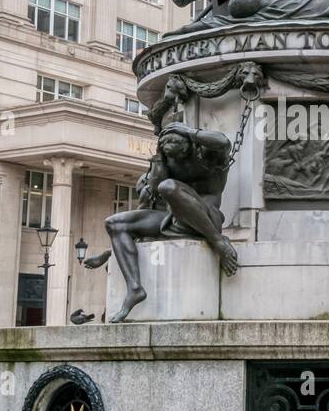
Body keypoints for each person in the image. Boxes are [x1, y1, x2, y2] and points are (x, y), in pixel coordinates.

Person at [84, 123, 238, 322]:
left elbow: (224, 142)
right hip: (173, 219)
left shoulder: (209, 157)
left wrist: (188, 132)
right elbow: (155, 189)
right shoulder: (167, 162)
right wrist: (158, 158)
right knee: (114, 223)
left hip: (207, 218)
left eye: (174, 141)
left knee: (169, 186)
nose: (169, 146)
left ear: (189, 144)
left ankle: (218, 242)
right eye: (165, 144)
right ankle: (134, 288)